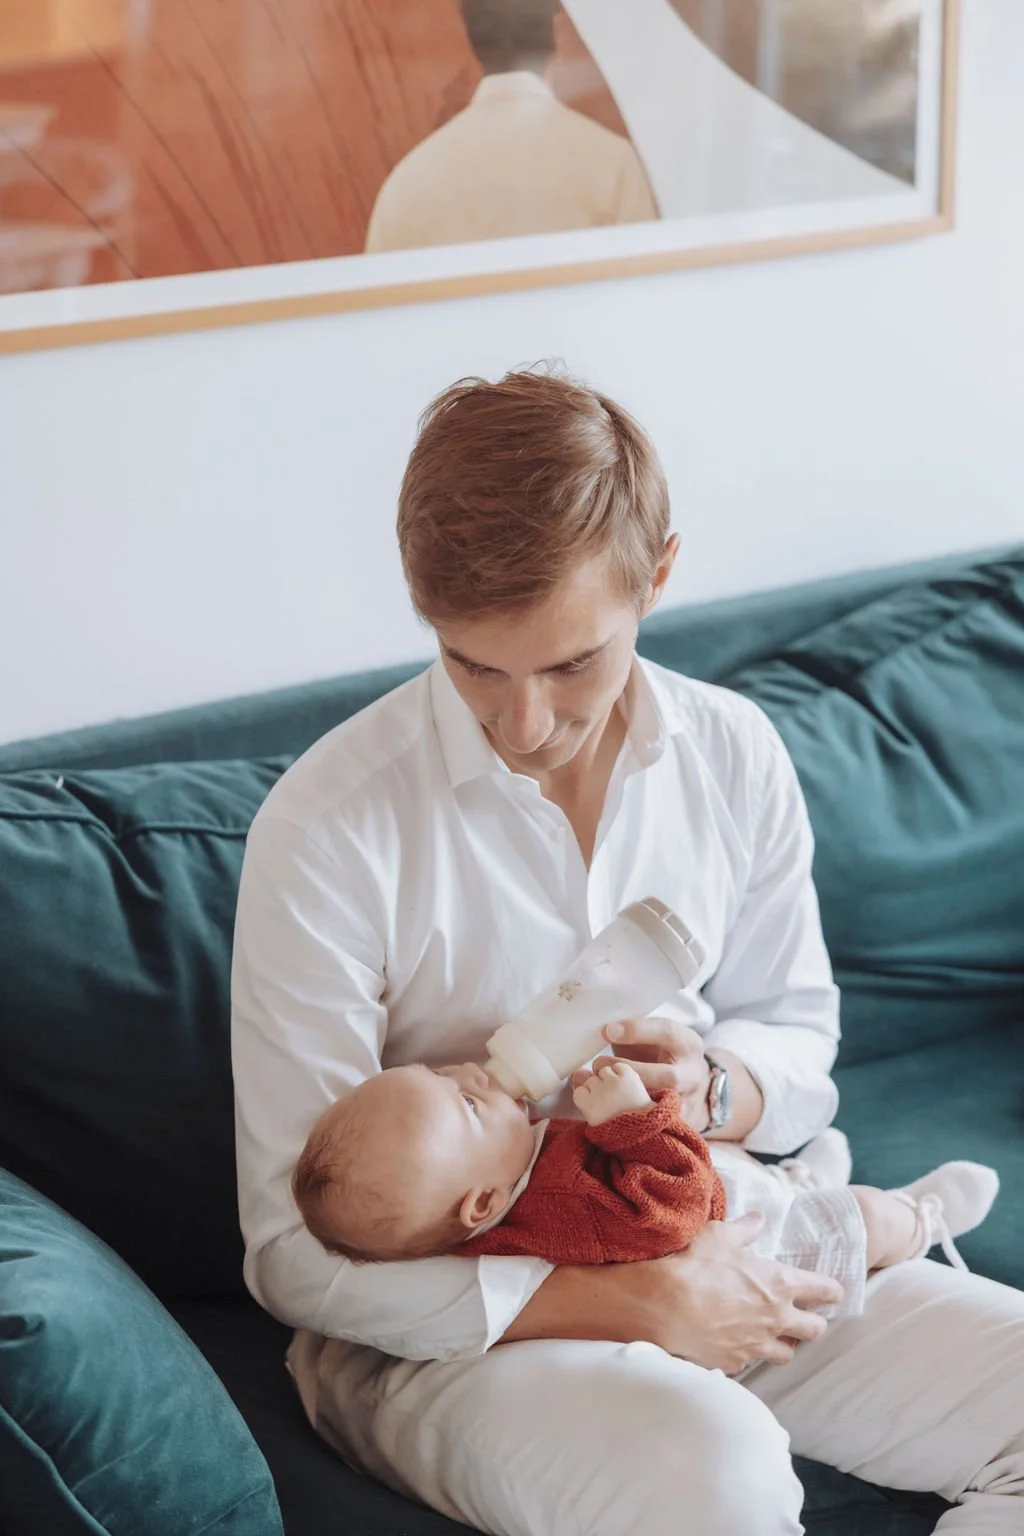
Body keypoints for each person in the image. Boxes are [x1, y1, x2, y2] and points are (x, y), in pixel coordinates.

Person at [231, 368, 1024, 1535]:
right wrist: (622, 1300)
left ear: (657, 575)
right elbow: (295, 1256)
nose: (522, 728)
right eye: (473, 667)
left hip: (732, 1230)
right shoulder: (326, 827)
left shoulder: (732, 755)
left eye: (568, 665)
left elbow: (800, 1047)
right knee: (714, 1473)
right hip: (454, 1328)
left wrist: (710, 1088)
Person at [290, 1057, 997, 1320]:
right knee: (857, 1219)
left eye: (439, 1073)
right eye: (465, 1104)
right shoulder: (568, 1207)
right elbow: (677, 1219)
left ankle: (806, 1174)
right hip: (756, 1242)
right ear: (479, 1204)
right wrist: (632, 1120)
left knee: (769, 1175)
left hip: (736, 1184)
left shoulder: (506, 1181)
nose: (470, 1075)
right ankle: (918, 1216)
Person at [364, 0, 658, 254]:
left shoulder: (406, 184)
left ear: (473, 38)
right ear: (552, 36)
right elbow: (646, 299)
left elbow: (377, 313)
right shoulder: (613, 164)